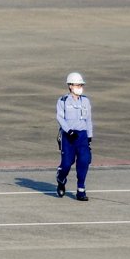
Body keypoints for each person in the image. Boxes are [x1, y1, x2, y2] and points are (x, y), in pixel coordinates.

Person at [57, 72, 93, 200]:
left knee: (84, 161)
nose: (80, 87)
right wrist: (68, 131)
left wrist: (89, 136)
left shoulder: (86, 100)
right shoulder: (63, 100)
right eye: (77, 85)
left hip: (82, 136)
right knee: (67, 163)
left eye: (81, 85)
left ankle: (81, 190)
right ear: (70, 86)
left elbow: (88, 119)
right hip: (68, 136)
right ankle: (61, 179)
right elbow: (60, 118)